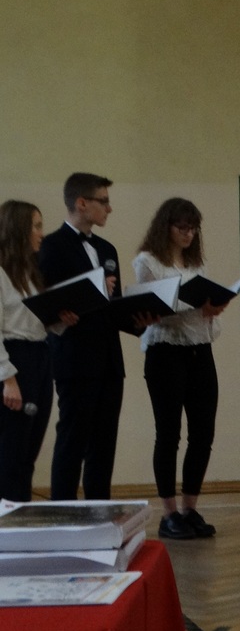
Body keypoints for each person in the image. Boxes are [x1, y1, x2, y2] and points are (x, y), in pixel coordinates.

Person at [134, 198, 226, 539]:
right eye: (182, 228)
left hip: (200, 351)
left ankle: (190, 508)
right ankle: (169, 513)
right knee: (168, 433)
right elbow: (154, 307)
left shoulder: (194, 263)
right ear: (166, 227)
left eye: (193, 229)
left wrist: (211, 308)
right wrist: (195, 304)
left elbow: (197, 310)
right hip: (165, 352)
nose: (188, 234)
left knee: (203, 432)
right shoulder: (147, 261)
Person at [38, 173, 126, 500]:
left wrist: (143, 316)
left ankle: (99, 510)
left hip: (109, 359)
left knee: (104, 443)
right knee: (72, 440)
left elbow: (114, 306)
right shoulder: (51, 246)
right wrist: (75, 301)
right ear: (82, 203)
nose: (110, 209)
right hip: (74, 358)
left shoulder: (106, 248)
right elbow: (44, 303)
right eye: (104, 201)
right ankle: (62, 510)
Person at [0, 201, 55, 501]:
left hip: (39, 357)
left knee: (28, 451)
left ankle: (22, 515)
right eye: (36, 226)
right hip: (15, 361)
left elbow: (35, 321)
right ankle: (7, 518)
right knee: (12, 450)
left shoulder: (30, 273)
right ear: (19, 230)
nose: (41, 233)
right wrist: (8, 379)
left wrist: (61, 318)